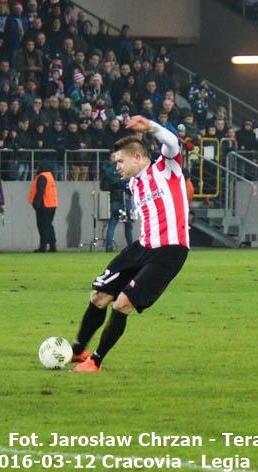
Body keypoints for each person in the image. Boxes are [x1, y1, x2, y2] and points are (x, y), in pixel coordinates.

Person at [71, 116, 189, 373]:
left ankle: (97, 361)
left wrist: (149, 126)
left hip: (170, 250)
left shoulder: (167, 168)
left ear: (137, 157)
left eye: (120, 161)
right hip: (142, 247)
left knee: (122, 303)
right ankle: (79, 351)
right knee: (99, 295)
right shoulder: (134, 184)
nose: (117, 168)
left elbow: (171, 141)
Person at [100, 153, 133, 252]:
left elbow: (102, 186)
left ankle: (109, 246)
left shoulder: (108, 171)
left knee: (113, 222)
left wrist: (112, 188)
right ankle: (131, 246)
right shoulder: (126, 168)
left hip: (115, 198)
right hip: (126, 198)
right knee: (128, 224)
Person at [28, 159, 58, 252]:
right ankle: (52, 245)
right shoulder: (50, 176)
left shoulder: (42, 177)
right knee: (49, 225)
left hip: (44, 205)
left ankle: (43, 246)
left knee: (42, 226)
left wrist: (36, 204)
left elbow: (40, 192)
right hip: (52, 204)